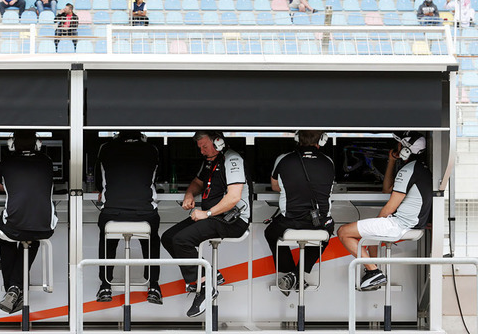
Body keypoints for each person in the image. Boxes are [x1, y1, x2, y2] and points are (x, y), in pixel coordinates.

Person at [161, 131, 250, 318]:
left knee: (181, 240)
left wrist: (206, 213)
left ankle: (205, 286)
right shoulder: (210, 160)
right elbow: (197, 182)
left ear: (217, 142)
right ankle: (204, 278)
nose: (201, 151)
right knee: (169, 238)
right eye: (199, 147)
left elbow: (233, 197)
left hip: (232, 220)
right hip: (214, 217)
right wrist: (189, 195)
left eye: (204, 146)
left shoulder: (232, 160)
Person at [337, 132, 432, 291]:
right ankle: (373, 272)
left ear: (406, 150)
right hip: (409, 224)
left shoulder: (408, 170)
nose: (397, 147)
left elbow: (390, 207)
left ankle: (374, 272)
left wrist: (378, 221)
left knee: (343, 232)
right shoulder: (418, 168)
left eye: (400, 145)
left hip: (400, 225)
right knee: (370, 239)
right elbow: (387, 189)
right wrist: (391, 161)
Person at [264, 131, 335, 296]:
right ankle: (296, 275)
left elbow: (275, 186)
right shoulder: (328, 161)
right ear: (322, 140)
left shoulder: (283, 159)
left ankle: (292, 274)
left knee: (270, 232)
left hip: (290, 222)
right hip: (320, 223)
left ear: (296, 139)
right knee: (325, 234)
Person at [94, 131, 162, 305]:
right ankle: (153, 286)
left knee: (107, 238)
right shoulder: (151, 149)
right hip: (145, 213)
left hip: (112, 212)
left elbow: (97, 182)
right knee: (152, 239)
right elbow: (158, 178)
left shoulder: (106, 148)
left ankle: (105, 286)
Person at [0, 130, 58, 313]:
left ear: (12, 144)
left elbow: (0, 185)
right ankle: (15, 288)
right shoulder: (46, 161)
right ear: (37, 144)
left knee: (2, 235)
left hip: (14, 228)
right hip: (45, 227)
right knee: (31, 239)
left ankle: (12, 289)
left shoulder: (5, 162)